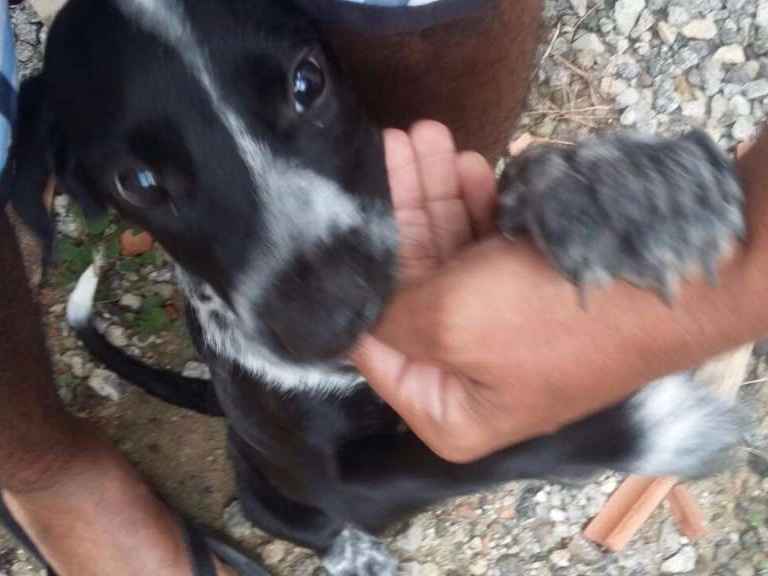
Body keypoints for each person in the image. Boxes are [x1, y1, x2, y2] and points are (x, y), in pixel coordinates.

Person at [0, 0, 765, 574]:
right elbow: (345, 486)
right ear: (67, 184)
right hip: (306, 461)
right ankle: (332, 549)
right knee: (299, 507)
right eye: (141, 180)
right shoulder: (273, 379)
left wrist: (571, 201)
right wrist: (587, 438)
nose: (331, 294)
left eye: (304, 85)